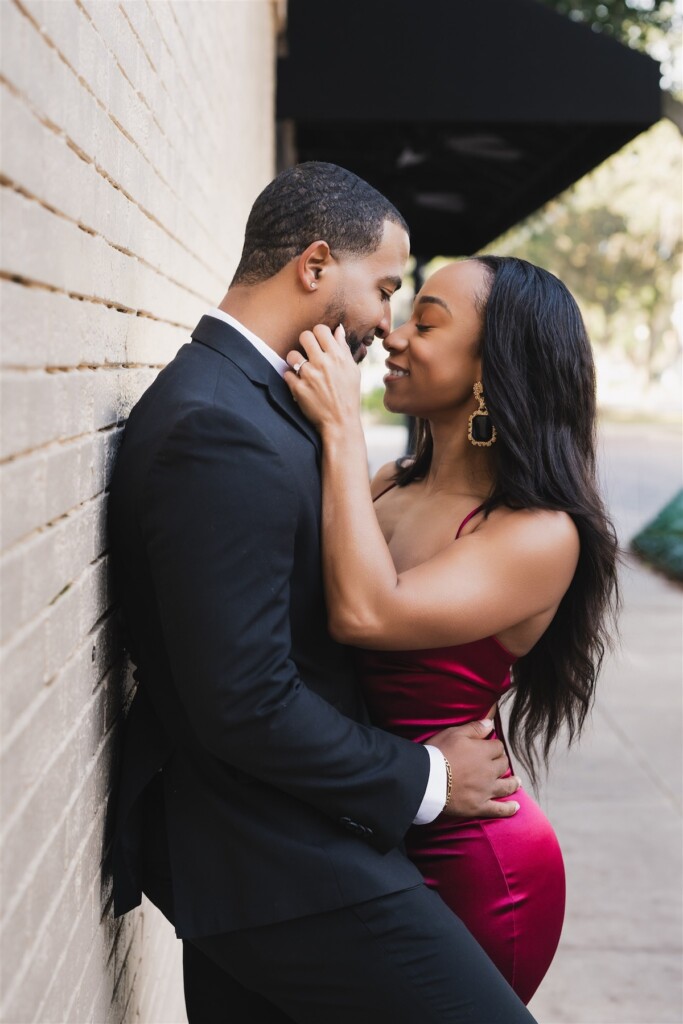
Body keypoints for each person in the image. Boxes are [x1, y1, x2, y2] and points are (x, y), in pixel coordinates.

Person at [108, 162, 537, 1023]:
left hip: (277, 847)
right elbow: (246, 701)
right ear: (312, 267)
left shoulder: (255, 404)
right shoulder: (219, 427)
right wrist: (425, 776)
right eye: (382, 288)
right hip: (273, 861)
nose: (385, 321)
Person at [284, 255, 620, 1005]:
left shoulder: (536, 533)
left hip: (474, 863)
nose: (395, 337)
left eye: (427, 323)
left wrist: (340, 425)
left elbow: (364, 613)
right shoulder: (388, 485)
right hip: (371, 823)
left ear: (488, 369)